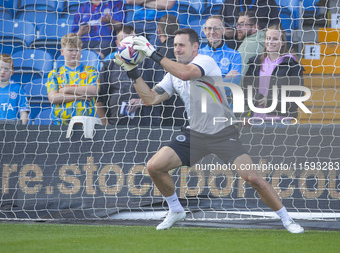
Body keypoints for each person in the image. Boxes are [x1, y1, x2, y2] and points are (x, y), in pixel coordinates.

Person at [114, 28, 304, 233]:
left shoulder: (205, 61)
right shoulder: (172, 73)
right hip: (194, 133)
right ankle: (176, 210)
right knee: (154, 167)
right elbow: (150, 99)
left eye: (181, 45)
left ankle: (287, 220)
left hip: (222, 130)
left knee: (252, 178)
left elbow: (186, 74)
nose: (177, 50)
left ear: (195, 47)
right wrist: (133, 72)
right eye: (175, 45)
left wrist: (152, 53)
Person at [96, 26, 159, 126]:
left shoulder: (151, 64)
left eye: (132, 41)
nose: (129, 45)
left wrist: (142, 101)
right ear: (117, 44)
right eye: (125, 41)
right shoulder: (109, 66)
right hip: (115, 126)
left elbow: (162, 93)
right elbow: (99, 100)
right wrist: (106, 124)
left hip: (146, 125)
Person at [243, 24, 304, 120]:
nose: (270, 42)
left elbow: (297, 97)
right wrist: (256, 99)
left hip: (281, 121)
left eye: (275, 39)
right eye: (268, 38)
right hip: (256, 119)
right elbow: (245, 89)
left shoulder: (292, 66)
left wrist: (270, 102)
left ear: (283, 42)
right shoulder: (255, 63)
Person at [143, 14, 187, 127]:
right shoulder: (188, 54)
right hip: (185, 112)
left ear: (159, 32)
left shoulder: (154, 57)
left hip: (161, 114)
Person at [47, 33, 99, 126]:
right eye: (70, 50)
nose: (75, 53)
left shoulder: (91, 70)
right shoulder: (55, 73)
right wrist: (79, 97)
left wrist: (67, 90)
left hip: (87, 124)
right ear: (62, 51)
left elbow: (94, 90)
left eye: (77, 50)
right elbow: (53, 98)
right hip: (60, 124)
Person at [200, 15, 242, 105]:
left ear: (223, 30)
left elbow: (233, 85)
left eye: (216, 28)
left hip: (227, 106)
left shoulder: (234, 55)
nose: (212, 32)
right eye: (209, 28)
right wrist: (225, 79)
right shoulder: (198, 54)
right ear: (204, 31)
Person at [0, 54, 29, 125]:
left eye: (6, 69)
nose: (2, 72)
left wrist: (20, 129)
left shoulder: (17, 89)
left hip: (11, 129)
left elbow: (24, 113)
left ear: (12, 72)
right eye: (0, 68)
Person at [236, 11, 266, 77]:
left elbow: (239, 77)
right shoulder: (267, 41)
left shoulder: (247, 46)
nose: (238, 28)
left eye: (242, 24)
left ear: (255, 27)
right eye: (238, 24)